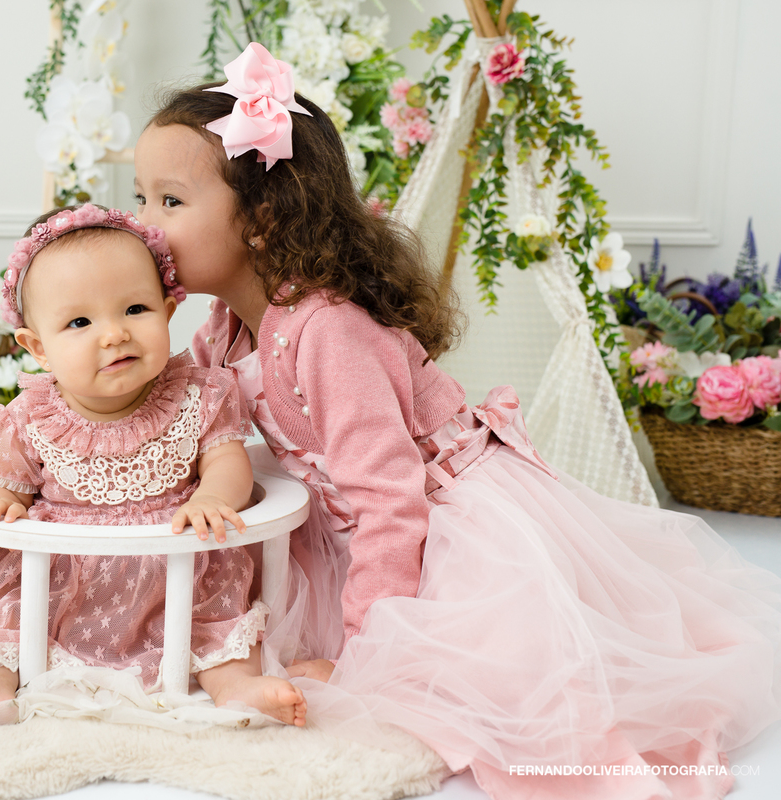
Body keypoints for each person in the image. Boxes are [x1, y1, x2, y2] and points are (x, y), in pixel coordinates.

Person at [131, 42, 781, 800]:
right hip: (356, 524)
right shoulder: (225, 325)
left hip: (442, 519)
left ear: (263, 221)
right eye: (141, 199)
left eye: (169, 202)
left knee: (507, 694)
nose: (145, 225)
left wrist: (372, 651)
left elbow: (388, 498)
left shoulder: (329, 329)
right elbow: (192, 419)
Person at [0, 203, 307, 729]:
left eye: (135, 310)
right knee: (8, 614)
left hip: (175, 572)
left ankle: (237, 685)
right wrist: (4, 497)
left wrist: (212, 496)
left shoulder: (200, 396)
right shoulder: (30, 418)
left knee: (218, 619)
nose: (114, 333)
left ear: (168, 312)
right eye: (79, 321)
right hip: (62, 579)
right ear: (38, 347)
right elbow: (10, 485)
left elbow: (228, 463)